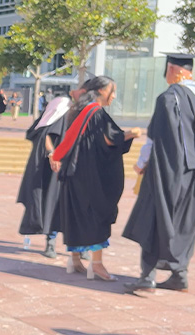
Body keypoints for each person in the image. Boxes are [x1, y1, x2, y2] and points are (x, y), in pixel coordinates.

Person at [49, 76, 142, 281]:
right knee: (97, 213)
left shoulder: (79, 111)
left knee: (77, 213)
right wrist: (132, 133)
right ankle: (97, 265)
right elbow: (111, 139)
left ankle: (74, 260)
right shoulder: (97, 112)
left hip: (74, 173)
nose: (114, 96)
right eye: (112, 91)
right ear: (100, 91)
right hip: (91, 176)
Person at [123, 53, 195, 293]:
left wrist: (141, 163)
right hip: (192, 173)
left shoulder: (168, 98)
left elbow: (154, 138)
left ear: (173, 69)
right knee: (185, 221)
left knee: (154, 217)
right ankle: (179, 274)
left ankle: (147, 277)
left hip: (166, 170)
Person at [17, 95, 70, 258]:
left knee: (70, 206)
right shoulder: (55, 118)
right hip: (52, 170)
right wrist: (52, 154)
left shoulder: (69, 116)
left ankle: (79, 247)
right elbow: (46, 135)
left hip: (68, 167)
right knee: (52, 204)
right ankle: (51, 242)